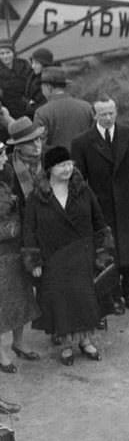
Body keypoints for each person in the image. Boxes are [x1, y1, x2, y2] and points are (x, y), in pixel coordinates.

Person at [23, 146, 112, 366]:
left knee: (85, 299)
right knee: (61, 302)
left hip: (83, 253)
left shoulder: (83, 190)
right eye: (62, 165)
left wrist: (103, 252)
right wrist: (34, 260)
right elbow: (29, 230)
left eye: (70, 164)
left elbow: (99, 222)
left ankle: (86, 341)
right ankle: (65, 345)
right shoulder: (36, 197)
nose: (68, 168)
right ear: (50, 169)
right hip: (53, 256)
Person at [71, 95, 129, 313]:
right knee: (109, 253)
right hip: (102, 207)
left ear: (116, 112)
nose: (108, 118)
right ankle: (114, 297)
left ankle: (128, 292)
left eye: (111, 113)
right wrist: (84, 210)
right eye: (103, 114)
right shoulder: (82, 142)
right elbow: (79, 181)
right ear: (94, 115)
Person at [0, 143, 41, 373]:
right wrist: (14, 228)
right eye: (1, 154)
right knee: (2, 305)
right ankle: (1, 352)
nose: (5, 158)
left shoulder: (5, 177)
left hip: (15, 251)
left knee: (22, 298)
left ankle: (18, 342)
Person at [34, 68, 93, 151]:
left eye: (42, 86)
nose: (41, 90)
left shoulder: (42, 112)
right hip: (84, 161)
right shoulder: (87, 107)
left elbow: (39, 146)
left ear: (48, 87)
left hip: (57, 162)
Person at [0, 41, 34, 122]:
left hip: (27, 106)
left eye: (8, 52)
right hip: (8, 111)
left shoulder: (24, 65)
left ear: (13, 53)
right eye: (2, 53)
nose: (5, 56)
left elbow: (33, 83)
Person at [24, 49, 55, 120]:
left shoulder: (49, 81)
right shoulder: (32, 76)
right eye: (32, 63)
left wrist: (30, 105)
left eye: (36, 63)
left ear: (45, 64)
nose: (33, 66)